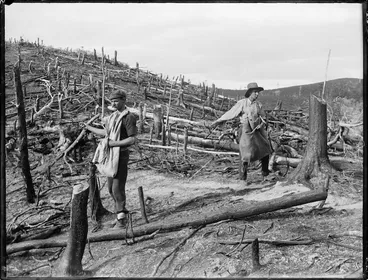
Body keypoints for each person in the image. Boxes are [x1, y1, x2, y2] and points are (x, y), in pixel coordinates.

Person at [85, 89, 137, 229]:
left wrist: (114, 144)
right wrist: (89, 127)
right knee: (109, 188)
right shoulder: (113, 117)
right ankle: (121, 214)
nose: (113, 103)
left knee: (117, 188)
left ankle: (121, 220)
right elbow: (106, 133)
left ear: (123, 100)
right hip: (111, 155)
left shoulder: (128, 117)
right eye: (112, 101)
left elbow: (132, 139)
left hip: (121, 155)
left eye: (116, 101)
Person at [211, 82, 272, 184]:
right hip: (245, 131)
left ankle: (265, 176)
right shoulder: (242, 103)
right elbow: (231, 113)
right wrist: (219, 121)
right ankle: (242, 179)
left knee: (265, 150)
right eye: (255, 92)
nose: (257, 94)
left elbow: (264, 117)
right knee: (244, 154)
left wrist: (263, 123)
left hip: (257, 131)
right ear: (250, 93)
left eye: (258, 92)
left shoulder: (258, 105)